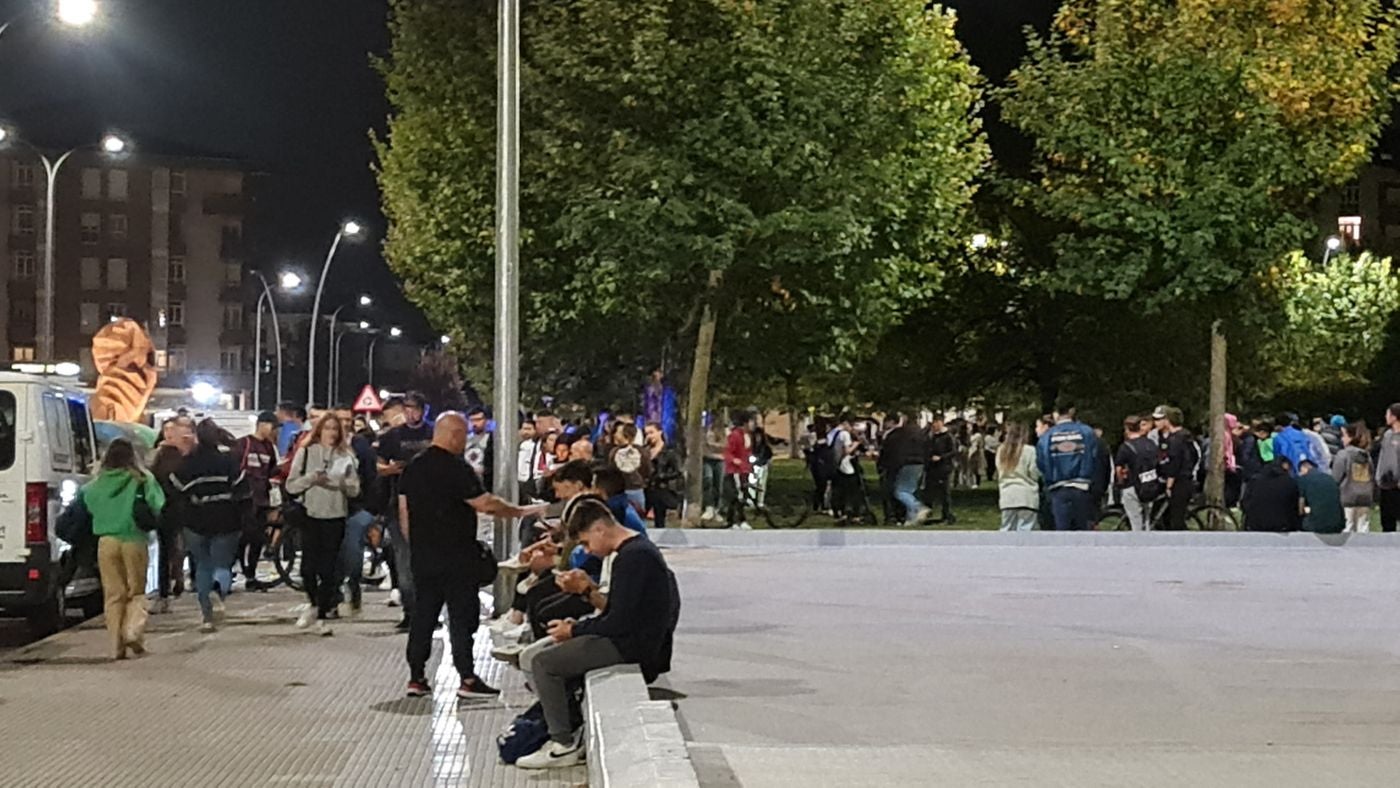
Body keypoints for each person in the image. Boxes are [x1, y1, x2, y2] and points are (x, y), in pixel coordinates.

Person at [516, 498, 679, 771]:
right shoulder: (634, 551)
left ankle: (562, 744)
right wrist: (582, 608)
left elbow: (619, 621)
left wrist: (575, 630)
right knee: (543, 652)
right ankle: (567, 725)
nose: (588, 550)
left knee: (544, 664)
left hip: (633, 646)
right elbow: (619, 611)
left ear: (599, 530)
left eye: (585, 543)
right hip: (632, 637)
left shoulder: (634, 557)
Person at [400, 412, 546, 699]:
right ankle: (466, 677)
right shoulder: (457, 468)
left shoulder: (413, 468)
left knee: (423, 617)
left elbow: (403, 511)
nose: (465, 441)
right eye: (464, 435)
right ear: (454, 434)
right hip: (457, 555)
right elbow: (485, 503)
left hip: (423, 556)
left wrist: (416, 543)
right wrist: (520, 511)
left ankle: (416, 677)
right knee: (462, 618)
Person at [85, 439, 166, 660]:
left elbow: (87, 503)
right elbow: (158, 504)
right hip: (134, 539)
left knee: (113, 594)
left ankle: (114, 647)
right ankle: (132, 632)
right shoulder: (142, 479)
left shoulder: (97, 483)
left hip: (106, 541)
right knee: (136, 591)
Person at [285, 413, 360, 636]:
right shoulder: (307, 452)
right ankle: (313, 603)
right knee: (308, 567)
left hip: (335, 516)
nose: (331, 433)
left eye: (335, 429)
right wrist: (311, 479)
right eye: (327, 428)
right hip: (310, 514)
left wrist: (341, 483)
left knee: (328, 569)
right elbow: (291, 486)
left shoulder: (346, 455)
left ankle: (321, 613)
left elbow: (355, 489)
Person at [172, 419, 245, 632]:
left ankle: (207, 618)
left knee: (203, 565)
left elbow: (174, 488)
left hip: (195, 522)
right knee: (222, 565)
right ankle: (218, 592)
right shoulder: (228, 461)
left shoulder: (188, 462)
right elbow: (242, 488)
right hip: (226, 519)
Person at [378, 391, 434, 631]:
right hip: (398, 503)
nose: (411, 413)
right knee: (404, 560)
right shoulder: (393, 436)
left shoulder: (433, 433)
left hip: (431, 505)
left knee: (429, 562)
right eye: (407, 408)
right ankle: (410, 612)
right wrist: (391, 470)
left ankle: (429, 612)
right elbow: (378, 465)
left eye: (415, 409)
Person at [150, 419, 194, 612]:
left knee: (179, 547)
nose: (168, 433)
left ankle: (177, 581)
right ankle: (167, 588)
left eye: (171, 430)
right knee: (168, 549)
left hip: (179, 507)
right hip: (167, 508)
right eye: (165, 429)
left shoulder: (183, 455)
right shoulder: (159, 453)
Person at [234, 412, 280, 591]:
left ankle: (251, 575)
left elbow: (272, 470)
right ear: (261, 424)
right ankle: (236, 570)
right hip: (245, 500)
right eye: (271, 426)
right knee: (243, 537)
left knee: (258, 539)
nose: (273, 431)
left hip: (262, 499)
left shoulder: (269, 447)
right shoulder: (244, 444)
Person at [1036, 405, 1099, 531]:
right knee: (1082, 531)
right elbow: (1095, 457)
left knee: (1062, 532)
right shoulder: (1087, 432)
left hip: (1057, 488)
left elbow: (1041, 462)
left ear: (1055, 414)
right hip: (1082, 487)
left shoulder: (1047, 436)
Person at [878, 414, 928, 526]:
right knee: (910, 490)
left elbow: (891, 451)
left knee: (901, 491)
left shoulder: (898, 434)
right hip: (919, 462)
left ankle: (918, 507)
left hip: (905, 463)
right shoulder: (921, 433)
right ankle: (911, 518)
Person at [1153, 406, 1197, 531]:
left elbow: (1174, 463)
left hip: (1179, 482)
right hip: (1185, 479)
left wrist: (1169, 484)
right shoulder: (1185, 436)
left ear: (1167, 420)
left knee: (1176, 520)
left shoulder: (1175, 440)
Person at [1115, 415, 1161, 532]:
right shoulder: (1151, 444)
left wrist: (1120, 482)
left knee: (1135, 520)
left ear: (1127, 428)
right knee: (1147, 519)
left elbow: (1119, 469)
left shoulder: (1126, 447)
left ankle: (1138, 544)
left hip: (1132, 485)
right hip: (1150, 485)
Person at [1332, 422, 1376, 533]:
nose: (1342, 439)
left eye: (1344, 435)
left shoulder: (1343, 454)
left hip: (1347, 496)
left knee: (1348, 527)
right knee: (1363, 527)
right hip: (1365, 495)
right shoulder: (1366, 455)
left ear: (1351, 437)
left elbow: (1336, 477)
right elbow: (1372, 473)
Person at [996, 421, 1039, 531]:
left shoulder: (1001, 450)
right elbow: (1033, 473)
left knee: (1006, 529)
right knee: (1026, 531)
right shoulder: (1030, 450)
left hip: (1007, 495)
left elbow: (999, 470)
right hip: (1026, 495)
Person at [1242, 458, 1300, 532]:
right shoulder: (1290, 482)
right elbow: (1294, 507)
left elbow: (1245, 503)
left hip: (1255, 526)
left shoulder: (1255, 481)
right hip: (1282, 527)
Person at [643, 424, 684, 529]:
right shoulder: (645, 451)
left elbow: (677, 471)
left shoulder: (670, 451)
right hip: (647, 488)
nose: (649, 436)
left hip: (663, 489)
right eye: (646, 433)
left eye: (651, 432)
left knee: (660, 519)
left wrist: (662, 476)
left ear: (659, 432)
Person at [609, 422, 651, 515]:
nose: (615, 435)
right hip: (637, 489)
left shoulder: (614, 452)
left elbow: (611, 471)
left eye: (618, 432)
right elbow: (647, 470)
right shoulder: (642, 451)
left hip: (619, 491)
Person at [723, 412, 755, 529]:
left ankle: (731, 520)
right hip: (735, 470)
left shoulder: (747, 436)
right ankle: (739, 520)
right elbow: (728, 452)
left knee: (741, 495)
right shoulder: (735, 435)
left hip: (744, 470)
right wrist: (734, 460)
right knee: (738, 495)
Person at [923, 414, 956, 524]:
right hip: (931, 468)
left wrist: (941, 457)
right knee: (928, 492)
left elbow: (953, 451)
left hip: (943, 468)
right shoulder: (930, 435)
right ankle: (927, 515)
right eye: (934, 422)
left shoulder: (948, 436)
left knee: (944, 493)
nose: (935, 425)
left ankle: (947, 515)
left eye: (937, 422)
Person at [1297, 460, 1344, 534]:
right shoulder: (1330, 478)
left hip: (1318, 525)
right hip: (1337, 524)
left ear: (1303, 468)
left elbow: (1300, 508)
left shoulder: (1304, 479)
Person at [1374, 404, 1400, 533]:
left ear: (1394, 417)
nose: (1386, 417)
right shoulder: (1387, 435)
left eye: (1388, 414)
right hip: (1386, 484)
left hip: (1398, 484)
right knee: (1387, 521)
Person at [1273, 413, 1319, 477]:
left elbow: (1277, 456)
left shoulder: (1278, 438)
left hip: (1291, 469)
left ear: (1278, 426)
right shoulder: (1301, 434)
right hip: (1308, 465)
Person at [701, 419, 726, 522]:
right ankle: (709, 507)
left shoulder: (725, 432)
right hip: (707, 459)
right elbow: (705, 445)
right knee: (708, 481)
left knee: (719, 484)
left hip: (720, 460)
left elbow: (725, 446)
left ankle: (717, 509)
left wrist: (713, 446)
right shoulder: (706, 431)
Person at [466, 406, 494, 490]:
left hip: (485, 482)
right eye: (472, 420)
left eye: (478, 420)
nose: (474, 423)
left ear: (486, 420)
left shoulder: (492, 439)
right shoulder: (464, 439)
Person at [517, 419, 544, 503]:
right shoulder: (518, 445)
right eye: (524, 429)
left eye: (529, 429)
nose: (526, 432)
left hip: (530, 482)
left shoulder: (537, 446)